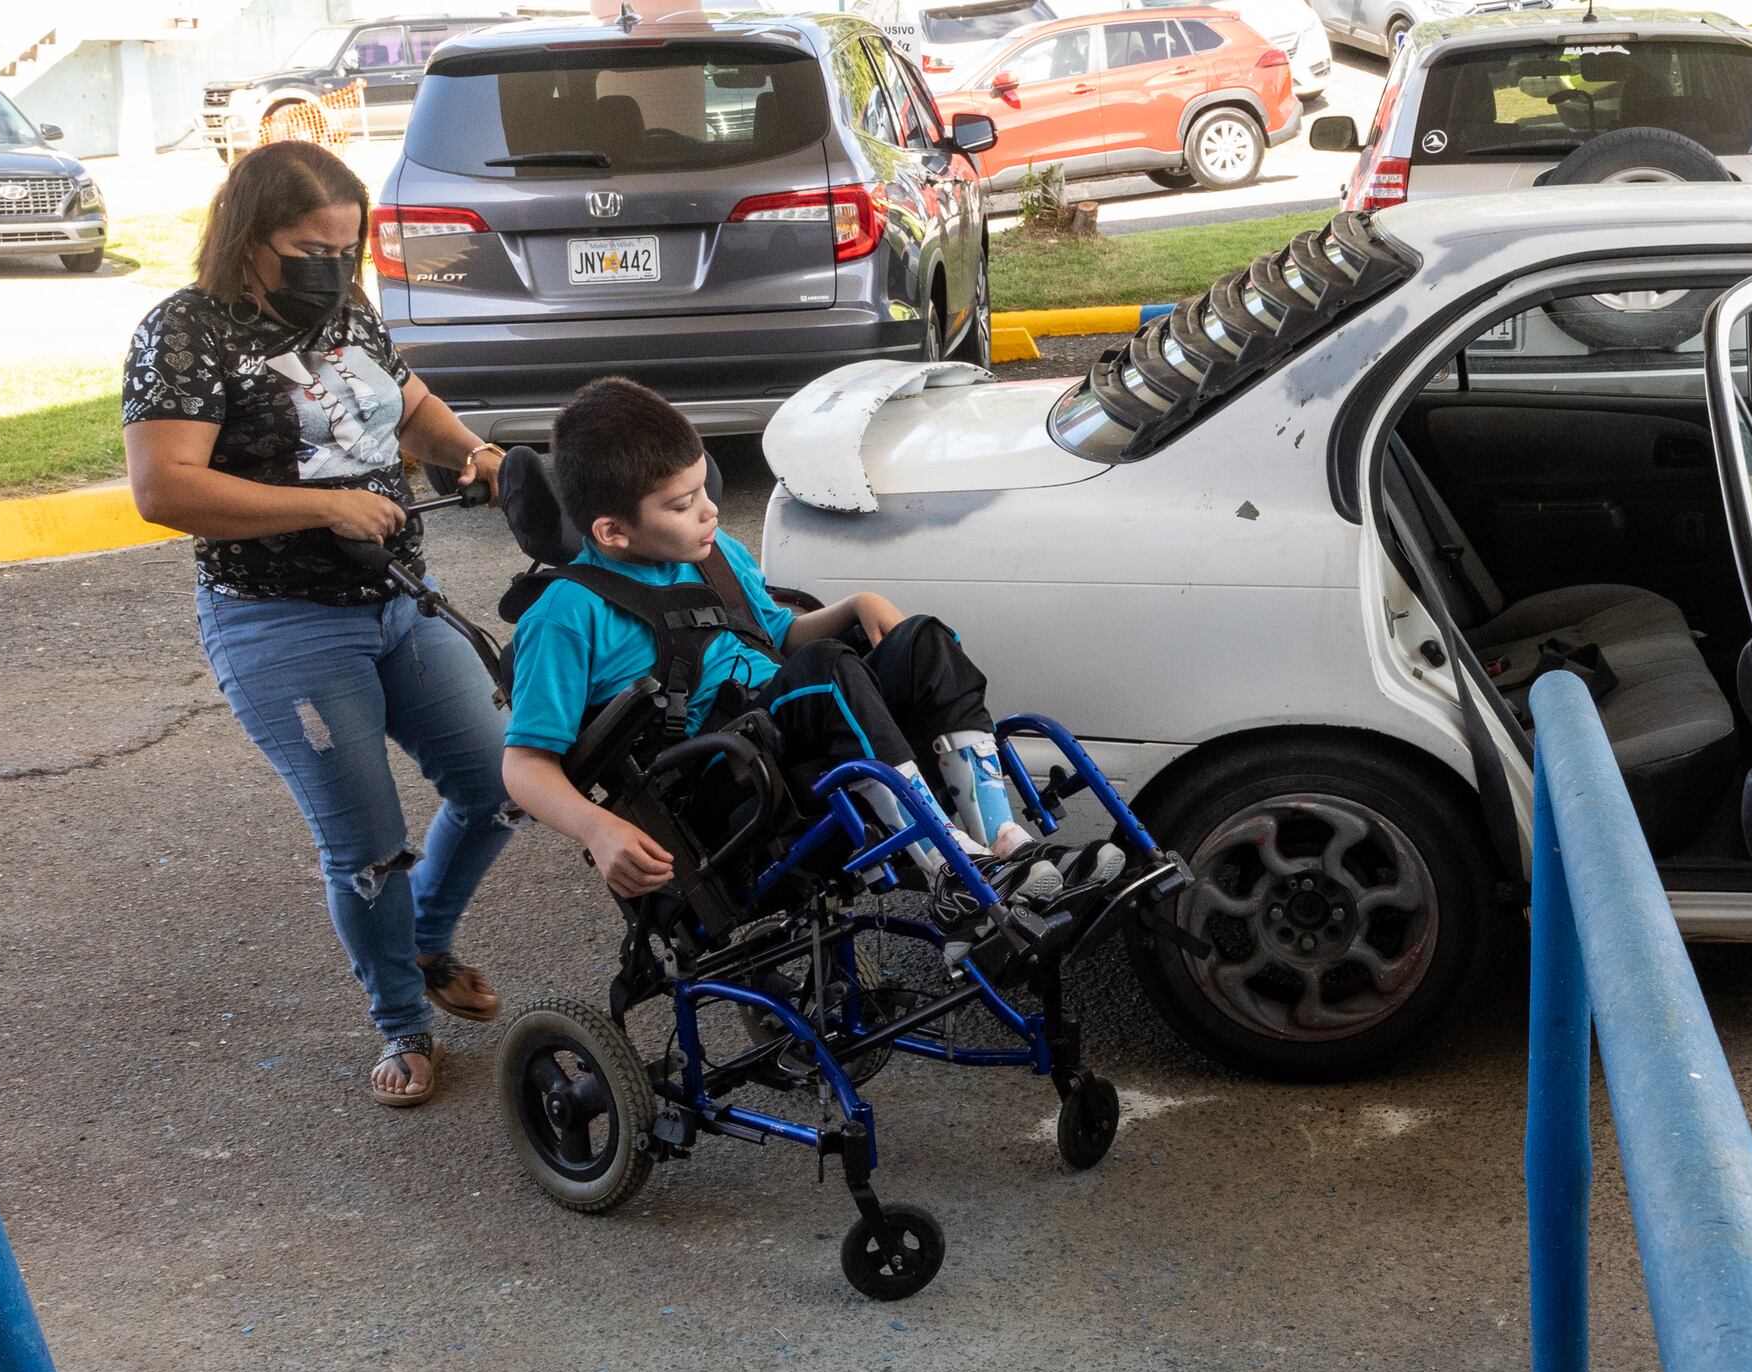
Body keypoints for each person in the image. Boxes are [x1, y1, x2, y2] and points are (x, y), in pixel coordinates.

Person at [123, 140, 513, 1109]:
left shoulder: (346, 315)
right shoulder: (185, 333)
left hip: (396, 601)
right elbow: (162, 488)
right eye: (310, 247)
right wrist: (321, 505)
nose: (333, 268)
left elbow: (414, 415)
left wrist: (476, 453)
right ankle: (402, 1025)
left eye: (348, 247)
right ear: (250, 237)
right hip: (279, 624)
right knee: (370, 848)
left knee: (501, 782)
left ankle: (424, 940)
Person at [500, 377, 1117, 926]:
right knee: (825, 673)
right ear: (612, 532)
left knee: (920, 642)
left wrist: (854, 607)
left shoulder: (712, 556)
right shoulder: (566, 615)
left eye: (703, 487)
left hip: (785, 721)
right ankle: (950, 870)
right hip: (717, 775)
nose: (710, 510)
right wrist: (599, 828)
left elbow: (777, 637)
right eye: (682, 505)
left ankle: (1004, 845)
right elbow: (523, 766)